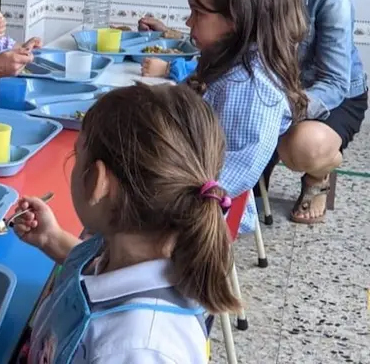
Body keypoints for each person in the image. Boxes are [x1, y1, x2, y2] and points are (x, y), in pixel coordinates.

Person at [141, 0, 367, 224]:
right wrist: (172, 37)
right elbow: (227, 36)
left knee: (300, 146)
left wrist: (279, 110)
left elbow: (334, 82)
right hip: (268, 88)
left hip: (320, 97)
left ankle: (320, 174)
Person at [13, 84, 241, 364]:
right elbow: (98, 270)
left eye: (76, 155)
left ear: (98, 182)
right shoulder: (123, 241)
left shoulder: (139, 348)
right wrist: (51, 238)